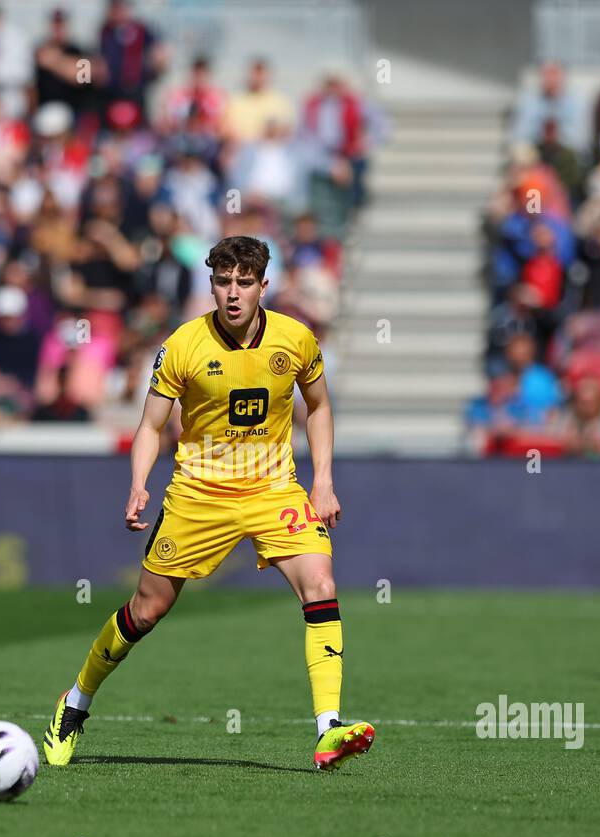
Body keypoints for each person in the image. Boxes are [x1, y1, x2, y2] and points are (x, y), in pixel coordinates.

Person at [41, 236, 374, 771]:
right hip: (199, 492)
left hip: (272, 488)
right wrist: (138, 482)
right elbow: (150, 425)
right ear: (212, 285)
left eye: (244, 282)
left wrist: (323, 481)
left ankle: (327, 730)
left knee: (321, 585)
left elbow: (319, 406)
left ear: (264, 285)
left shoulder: (297, 339)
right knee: (148, 609)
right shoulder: (183, 346)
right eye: (223, 282)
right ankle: (74, 704)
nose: (233, 293)